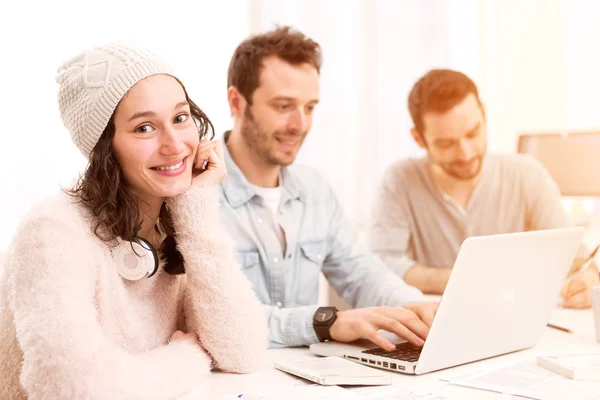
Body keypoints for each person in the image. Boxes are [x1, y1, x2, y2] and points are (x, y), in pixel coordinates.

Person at [0, 43, 267, 399]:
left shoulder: (175, 220)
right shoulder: (53, 230)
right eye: (144, 128)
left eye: (181, 117)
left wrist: (197, 207)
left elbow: (242, 352)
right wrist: (186, 358)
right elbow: (71, 386)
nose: (175, 145)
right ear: (106, 148)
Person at [220, 26, 438, 351]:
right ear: (237, 103)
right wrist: (326, 323)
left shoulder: (314, 190)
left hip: (307, 376)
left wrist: (418, 306)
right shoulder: (197, 194)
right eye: (283, 106)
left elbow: (362, 274)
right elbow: (219, 317)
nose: (300, 125)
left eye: (309, 108)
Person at [370, 68, 599, 309]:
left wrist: (588, 278)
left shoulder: (527, 174)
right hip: (438, 322)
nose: (466, 153)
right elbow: (382, 264)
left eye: (473, 133)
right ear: (418, 138)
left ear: (484, 115)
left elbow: (573, 256)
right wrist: (464, 280)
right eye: (446, 144)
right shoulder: (400, 181)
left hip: (518, 316)